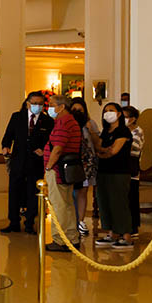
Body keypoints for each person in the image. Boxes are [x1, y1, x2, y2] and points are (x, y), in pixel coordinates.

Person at [1, 91, 53, 234]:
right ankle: (13, 222)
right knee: (14, 191)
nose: (37, 106)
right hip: (18, 161)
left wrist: (44, 151)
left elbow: (51, 141)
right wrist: (5, 146)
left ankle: (30, 223)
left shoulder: (47, 121)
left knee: (32, 193)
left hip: (35, 163)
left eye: (40, 104)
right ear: (28, 103)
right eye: (34, 103)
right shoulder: (17, 117)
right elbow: (8, 135)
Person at [91, 102, 134, 250]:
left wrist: (103, 153)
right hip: (103, 171)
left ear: (119, 113)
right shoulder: (106, 131)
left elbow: (114, 151)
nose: (107, 113)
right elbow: (99, 147)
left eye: (111, 110)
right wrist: (103, 151)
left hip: (119, 171)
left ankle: (126, 236)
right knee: (104, 202)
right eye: (105, 111)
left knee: (119, 203)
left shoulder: (124, 131)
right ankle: (112, 233)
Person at [43, 94, 82, 252]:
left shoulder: (64, 122)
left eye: (52, 105)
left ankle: (60, 240)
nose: (49, 108)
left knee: (59, 206)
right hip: (65, 170)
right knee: (66, 205)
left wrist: (48, 168)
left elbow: (58, 148)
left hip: (58, 170)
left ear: (61, 107)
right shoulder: (69, 121)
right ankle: (71, 237)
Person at [68, 98, 99, 238]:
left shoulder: (90, 123)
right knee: (69, 192)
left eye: (79, 110)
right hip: (71, 162)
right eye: (74, 110)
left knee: (82, 192)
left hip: (87, 163)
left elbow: (97, 143)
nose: (77, 113)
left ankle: (80, 221)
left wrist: (91, 130)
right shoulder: (67, 123)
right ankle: (70, 221)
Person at [124, 106, 145, 239]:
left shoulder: (138, 132)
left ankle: (133, 227)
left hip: (131, 167)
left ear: (132, 119)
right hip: (121, 166)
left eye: (125, 116)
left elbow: (134, 148)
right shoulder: (121, 131)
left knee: (131, 198)